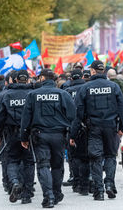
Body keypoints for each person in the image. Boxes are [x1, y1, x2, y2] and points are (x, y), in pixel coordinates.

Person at [71, 60, 123, 201]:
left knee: (96, 158)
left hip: (93, 127)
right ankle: (109, 184)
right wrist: (122, 128)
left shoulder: (85, 88)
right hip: (111, 127)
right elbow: (122, 108)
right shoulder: (114, 86)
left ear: (93, 71)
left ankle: (99, 191)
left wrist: (75, 131)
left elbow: (78, 112)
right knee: (110, 156)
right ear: (104, 71)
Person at [21, 69, 76, 208]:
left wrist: (24, 136)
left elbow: (26, 118)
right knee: (57, 165)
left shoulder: (32, 95)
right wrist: (71, 132)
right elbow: (72, 115)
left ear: (43, 78)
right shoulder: (63, 94)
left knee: (43, 165)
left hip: (40, 135)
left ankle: (49, 196)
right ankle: (56, 193)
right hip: (59, 135)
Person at [0, 70, 34, 204]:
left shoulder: (6, 95)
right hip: (28, 134)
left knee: (12, 160)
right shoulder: (32, 94)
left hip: (11, 133)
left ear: (15, 80)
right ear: (27, 80)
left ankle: (15, 182)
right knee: (28, 163)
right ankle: (27, 194)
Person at [65, 69, 89, 195]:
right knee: (86, 156)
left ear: (71, 79)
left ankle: (77, 182)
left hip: (71, 126)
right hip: (86, 125)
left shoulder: (67, 91)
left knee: (74, 156)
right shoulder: (86, 88)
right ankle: (87, 183)